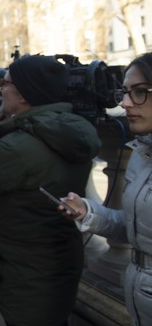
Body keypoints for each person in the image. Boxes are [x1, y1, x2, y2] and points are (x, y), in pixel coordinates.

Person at [0, 55, 101, 326]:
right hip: (56, 261)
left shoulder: (19, 146)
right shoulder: (67, 129)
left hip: (26, 273)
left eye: (6, 83)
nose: (0, 89)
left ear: (24, 95)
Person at [59, 52, 152, 326]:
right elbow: (139, 231)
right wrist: (89, 214)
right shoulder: (140, 153)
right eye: (124, 92)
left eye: (139, 92)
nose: (124, 103)